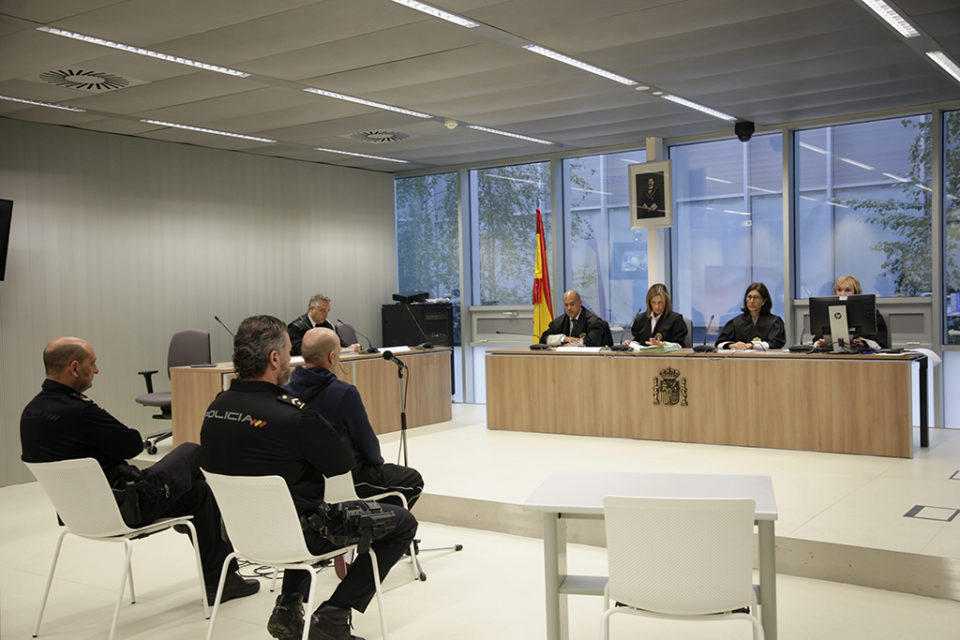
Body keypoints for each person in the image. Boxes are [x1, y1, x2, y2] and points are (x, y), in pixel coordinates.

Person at [200, 316, 417, 640]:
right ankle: (334, 614)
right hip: (304, 532)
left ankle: (288, 608)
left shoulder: (216, 408)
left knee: (295, 504)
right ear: (274, 358)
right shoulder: (291, 415)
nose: (290, 360)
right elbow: (341, 463)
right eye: (288, 352)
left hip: (243, 535)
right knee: (402, 523)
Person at [20, 337, 258, 606]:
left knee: (199, 493)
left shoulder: (30, 413)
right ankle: (230, 550)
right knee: (193, 450)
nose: (96, 370)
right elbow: (132, 443)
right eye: (93, 364)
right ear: (74, 368)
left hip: (79, 514)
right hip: (128, 506)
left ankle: (223, 581)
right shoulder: (80, 411)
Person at [286, 327, 424, 508]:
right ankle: (379, 527)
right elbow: (367, 443)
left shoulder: (286, 392)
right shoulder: (344, 393)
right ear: (332, 357)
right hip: (348, 477)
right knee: (413, 479)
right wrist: (376, 464)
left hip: (304, 478)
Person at [814, 275, 889, 349]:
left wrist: (864, 344)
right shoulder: (826, 312)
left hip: (861, 358)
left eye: (847, 290)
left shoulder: (871, 313)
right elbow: (816, 339)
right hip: (831, 357)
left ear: (856, 292)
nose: (842, 294)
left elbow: (880, 343)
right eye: (839, 290)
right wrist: (820, 343)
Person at [715, 282, 786, 350]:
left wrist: (753, 345)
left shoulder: (774, 322)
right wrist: (732, 345)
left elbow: (777, 343)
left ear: (764, 301)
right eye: (749, 297)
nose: (752, 301)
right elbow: (719, 343)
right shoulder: (736, 322)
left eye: (756, 297)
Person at [288, 294, 361, 356]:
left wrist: (350, 347)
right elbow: (297, 351)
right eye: (323, 311)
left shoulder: (326, 325)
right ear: (311, 308)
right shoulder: (296, 327)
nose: (326, 315)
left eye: (327, 311)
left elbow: (337, 342)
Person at [539, 290, 609, 347]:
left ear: (580, 303)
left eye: (572, 304)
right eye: (566, 305)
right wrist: (564, 339)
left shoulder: (593, 322)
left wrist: (568, 346)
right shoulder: (559, 322)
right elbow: (543, 339)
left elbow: (592, 343)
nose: (569, 308)